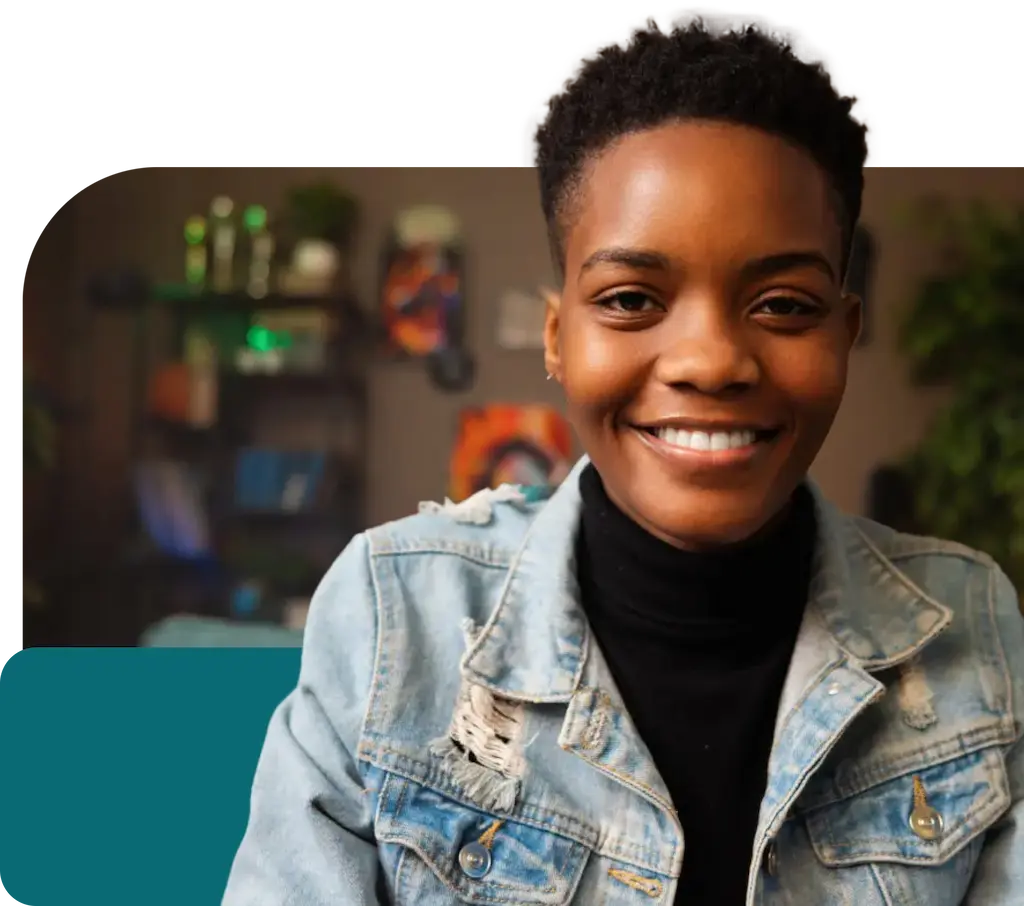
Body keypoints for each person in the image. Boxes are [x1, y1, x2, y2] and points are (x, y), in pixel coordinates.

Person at [223, 8, 1023, 905]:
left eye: (785, 305)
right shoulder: (395, 617)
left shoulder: (974, 629)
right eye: (634, 298)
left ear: (845, 334)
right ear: (558, 338)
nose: (711, 362)